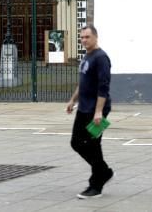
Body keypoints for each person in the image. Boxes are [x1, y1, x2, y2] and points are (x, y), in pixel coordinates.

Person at [66, 25, 113, 199]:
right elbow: (83, 82)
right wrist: (73, 100)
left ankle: (96, 184)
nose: (84, 40)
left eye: (87, 37)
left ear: (95, 37)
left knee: (93, 145)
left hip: (95, 110)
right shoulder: (87, 56)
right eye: (82, 37)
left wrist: (99, 112)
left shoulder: (101, 58)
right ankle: (103, 171)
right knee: (76, 142)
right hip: (83, 107)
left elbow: (103, 87)